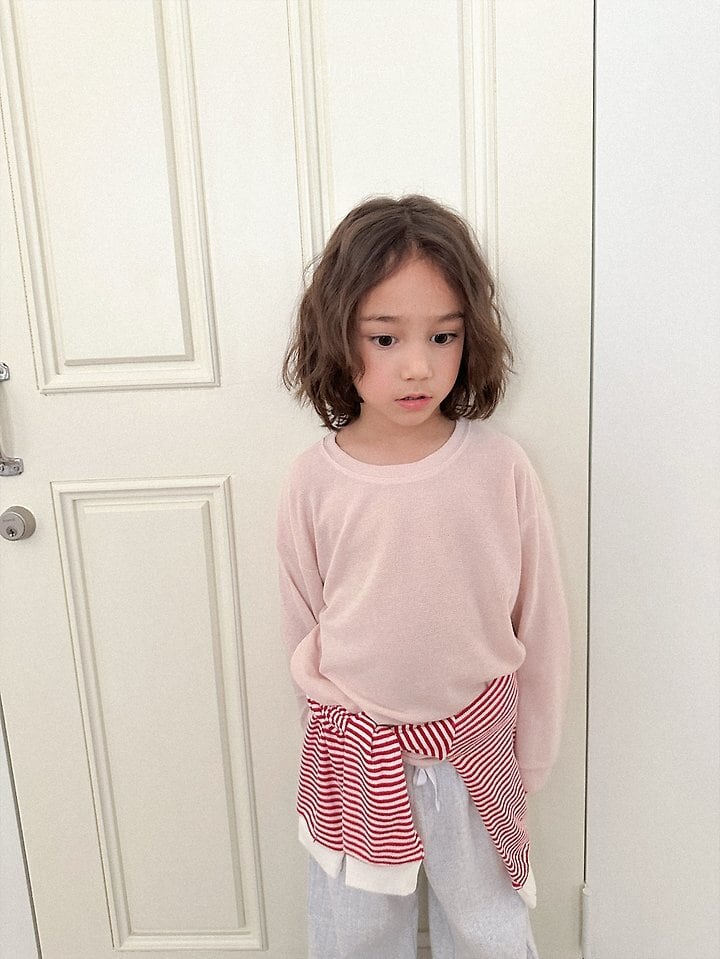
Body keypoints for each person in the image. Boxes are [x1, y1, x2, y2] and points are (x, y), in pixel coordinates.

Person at [277, 194, 570, 959]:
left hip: (474, 751)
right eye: (385, 337)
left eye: (443, 335)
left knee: (490, 929)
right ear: (338, 334)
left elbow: (540, 619)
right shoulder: (314, 480)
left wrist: (532, 753)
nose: (418, 365)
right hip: (355, 756)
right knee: (356, 936)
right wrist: (322, 731)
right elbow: (302, 620)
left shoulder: (499, 467)